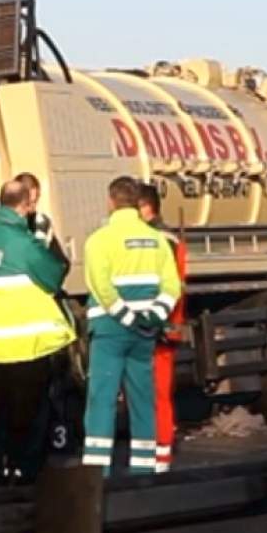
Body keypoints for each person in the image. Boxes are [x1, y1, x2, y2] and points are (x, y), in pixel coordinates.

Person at [0, 180, 75, 485]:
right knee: (28, 415)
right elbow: (53, 275)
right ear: (26, 205)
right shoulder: (22, 242)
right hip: (25, 346)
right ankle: (25, 473)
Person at [82, 176, 181, 475]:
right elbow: (172, 286)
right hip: (144, 334)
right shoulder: (157, 241)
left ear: (111, 202)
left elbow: (100, 285)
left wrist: (124, 316)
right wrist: (152, 316)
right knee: (142, 399)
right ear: (138, 203)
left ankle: (97, 473)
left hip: (112, 331)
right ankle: (143, 470)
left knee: (102, 399)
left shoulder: (99, 240)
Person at [136, 184, 187, 472]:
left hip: (157, 326)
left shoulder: (157, 240)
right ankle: (158, 453)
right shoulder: (166, 238)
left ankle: (159, 455)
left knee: (154, 393)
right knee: (156, 393)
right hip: (166, 324)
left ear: (146, 208)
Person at [13, 172, 54, 247]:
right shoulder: (3, 225)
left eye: (35, 201)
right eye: (28, 203)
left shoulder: (40, 222)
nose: (32, 207)